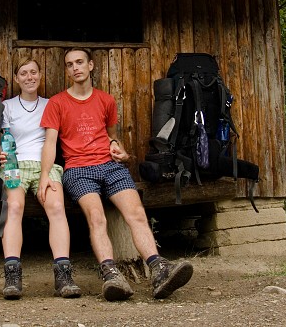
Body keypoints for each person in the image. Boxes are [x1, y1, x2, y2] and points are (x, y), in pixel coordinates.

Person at [39, 48, 193, 301]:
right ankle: (111, 276)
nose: (75, 68)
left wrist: (118, 148)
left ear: (90, 65)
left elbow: (111, 135)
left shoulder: (105, 100)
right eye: (69, 64)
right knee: (97, 217)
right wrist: (45, 175)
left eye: (79, 62)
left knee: (137, 213)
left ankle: (159, 270)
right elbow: (49, 143)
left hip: (111, 166)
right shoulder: (57, 103)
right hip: (78, 170)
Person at [0, 57, 81, 300]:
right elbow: (4, 140)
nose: (29, 77)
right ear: (16, 78)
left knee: (56, 207)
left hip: (46, 165)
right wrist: (2, 153)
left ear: (40, 75)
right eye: (23, 73)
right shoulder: (7, 107)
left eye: (33, 72)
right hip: (15, 165)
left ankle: (63, 275)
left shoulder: (51, 104)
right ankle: (12, 276)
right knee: (14, 206)